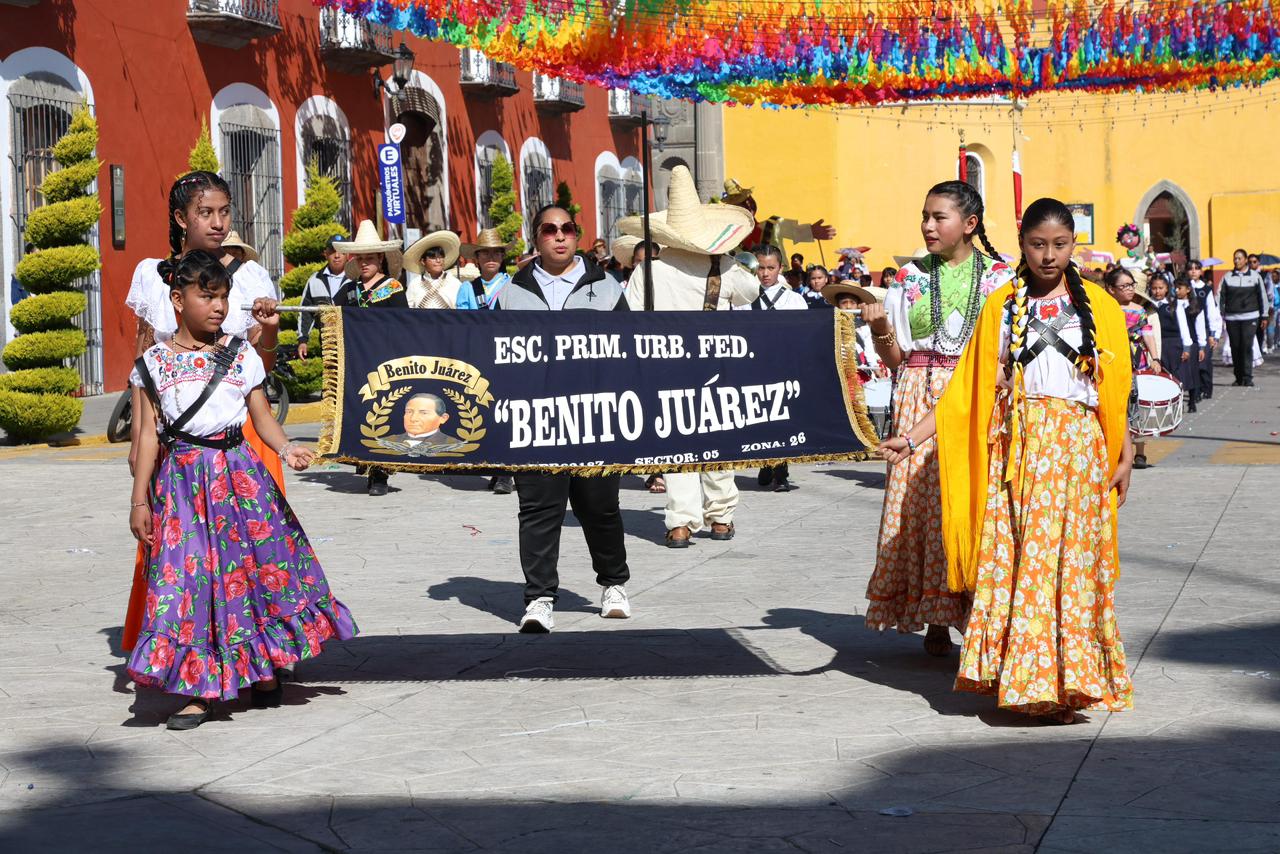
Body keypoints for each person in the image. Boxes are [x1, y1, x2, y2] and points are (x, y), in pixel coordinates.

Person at [883, 197, 1134, 724]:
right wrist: (910, 438)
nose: (1048, 255)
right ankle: (1031, 686)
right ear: (1021, 244)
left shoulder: (1102, 308)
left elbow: (1117, 391)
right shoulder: (1001, 306)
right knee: (1026, 566)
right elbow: (963, 394)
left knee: (1072, 569)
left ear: (1073, 246)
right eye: (1038, 244)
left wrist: (1126, 452)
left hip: (1079, 455)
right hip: (1018, 454)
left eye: (1060, 245)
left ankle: (1069, 686)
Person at [127, 251, 356, 730]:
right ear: (177, 298)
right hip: (182, 486)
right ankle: (197, 689)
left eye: (223, 297)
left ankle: (264, 670)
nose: (217, 307)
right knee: (185, 584)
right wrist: (139, 499)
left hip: (241, 482)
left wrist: (288, 447)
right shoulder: (152, 364)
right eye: (206, 296)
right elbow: (148, 436)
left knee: (253, 574)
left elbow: (263, 417)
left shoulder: (240, 354)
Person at [121, 171, 283, 654]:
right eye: (204, 213)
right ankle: (187, 650)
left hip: (244, 435)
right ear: (180, 218)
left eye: (224, 212)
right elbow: (145, 358)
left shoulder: (250, 274)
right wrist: (137, 440)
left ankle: (260, 651)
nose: (217, 223)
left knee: (253, 550)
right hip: (180, 442)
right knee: (181, 554)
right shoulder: (154, 274)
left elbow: (262, 364)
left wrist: (269, 330)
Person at [859, 180, 1014, 656]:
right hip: (915, 394)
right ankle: (936, 619)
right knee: (918, 509)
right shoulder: (908, 278)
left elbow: (1007, 353)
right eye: (924, 215)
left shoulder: (1003, 279)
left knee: (970, 505)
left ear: (969, 225)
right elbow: (895, 358)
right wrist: (881, 328)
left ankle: (975, 611)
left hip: (975, 395)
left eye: (938, 217)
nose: (927, 225)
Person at [497, 204, 631, 632]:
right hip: (534, 418)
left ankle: (613, 584)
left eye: (567, 229)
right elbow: (493, 355)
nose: (559, 236)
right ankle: (539, 598)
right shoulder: (509, 292)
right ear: (535, 237)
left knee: (599, 507)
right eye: (549, 229)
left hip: (595, 417)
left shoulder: (607, 287)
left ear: (578, 235)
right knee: (537, 509)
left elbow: (629, 348)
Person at [620, 164, 759, 547]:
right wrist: (726, 256)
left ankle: (681, 523)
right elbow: (752, 293)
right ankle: (720, 516)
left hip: (666, 366)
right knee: (718, 440)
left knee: (677, 440)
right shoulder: (724, 267)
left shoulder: (649, 271)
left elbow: (629, 320)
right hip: (717, 365)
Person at [333, 220, 408, 495]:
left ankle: (381, 474)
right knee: (361, 414)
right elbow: (331, 318)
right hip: (356, 362)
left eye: (370, 258)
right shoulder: (349, 290)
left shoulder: (393, 289)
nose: (364, 263)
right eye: (360, 258)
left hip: (385, 360)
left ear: (380, 259)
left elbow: (405, 325)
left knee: (384, 413)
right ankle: (366, 465)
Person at [736, 243, 807, 491]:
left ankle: (781, 470)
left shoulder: (794, 300)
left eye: (771, 268)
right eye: (761, 268)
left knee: (784, 417)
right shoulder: (743, 300)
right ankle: (765, 462)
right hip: (754, 367)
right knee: (759, 418)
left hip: (784, 366)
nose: (765, 273)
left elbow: (802, 337)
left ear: (781, 269)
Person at [1104, 266, 1160, 470]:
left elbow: (1148, 334)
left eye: (1131, 285)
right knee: (1117, 405)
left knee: (1138, 406)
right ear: (1111, 288)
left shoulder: (1139, 310)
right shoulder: (1103, 308)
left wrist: (1155, 358)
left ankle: (1140, 453)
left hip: (1137, 362)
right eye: (1124, 285)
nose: (1129, 289)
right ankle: (1117, 449)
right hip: (1112, 361)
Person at [721, 177, 836, 250]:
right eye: (739, 205)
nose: (746, 207)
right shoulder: (730, 239)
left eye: (746, 202)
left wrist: (810, 231)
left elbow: (793, 230)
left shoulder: (772, 225)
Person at [296, 234, 350, 359]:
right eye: (332, 251)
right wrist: (302, 340)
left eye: (341, 252)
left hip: (355, 342)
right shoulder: (315, 280)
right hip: (328, 345)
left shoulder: (357, 279)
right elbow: (305, 312)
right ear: (326, 254)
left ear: (347, 255)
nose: (336, 256)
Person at [1220, 248, 1268, 387]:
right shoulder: (1227, 277)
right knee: (1235, 347)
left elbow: (1262, 296)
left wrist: (1264, 316)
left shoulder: (1255, 276)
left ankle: (1247, 377)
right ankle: (1238, 377)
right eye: (1235, 258)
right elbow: (1221, 297)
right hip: (1231, 318)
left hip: (1251, 317)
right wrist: (1221, 314)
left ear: (1245, 260)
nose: (1236, 260)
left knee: (1247, 346)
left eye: (1239, 258)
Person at [404, 231, 463, 309]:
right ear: (423, 261)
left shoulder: (455, 283)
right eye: (433, 257)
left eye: (441, 257)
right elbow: (408, 310)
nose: (438, 261)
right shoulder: (415, 284)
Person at [1186, 260, 1219, 399]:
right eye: (1190, 268)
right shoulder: (1183, 288)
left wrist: (1213, 334)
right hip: (1188, 328)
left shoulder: (1206, 290)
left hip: (1204, 328)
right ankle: (1196, 389)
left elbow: (1212, 312)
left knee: (1204, 360)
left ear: (1201, 271)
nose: (1193, 271)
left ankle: (1207, 387)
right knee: (1192, 360)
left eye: (1196, 268)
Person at [1174, 275, 1205, 412]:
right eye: (1175, 287)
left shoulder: (1194, 306)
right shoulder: (1172, 305)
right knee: (1179, 372)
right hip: (1177, 341)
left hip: (1192, 342)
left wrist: (1201, 345)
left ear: (1187, 289)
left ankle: (1192, 401)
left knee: (1192, 372)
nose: (1176, 291)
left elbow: (1200, 325)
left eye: (1179, 288)